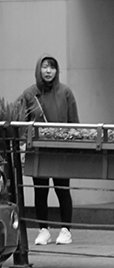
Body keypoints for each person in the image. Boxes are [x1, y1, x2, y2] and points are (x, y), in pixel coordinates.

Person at [21, 55, 80, 245]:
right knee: (41, 190)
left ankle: (66, 230)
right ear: (38, 69)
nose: (48, 71)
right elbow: (21, 121)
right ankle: (43, 229)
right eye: (45, 67)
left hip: (61, 150)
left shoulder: (66, 92)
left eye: (52, 67)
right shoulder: (30, 94)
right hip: (38, 151)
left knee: (62, 189)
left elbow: (75, 123)